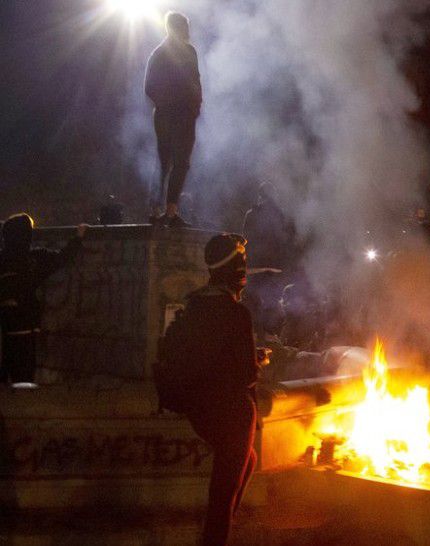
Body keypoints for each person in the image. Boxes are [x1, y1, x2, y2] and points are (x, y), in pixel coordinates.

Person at [182, 233, 267, 546]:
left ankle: (225, 521)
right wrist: (257, 362)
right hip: (231, 414)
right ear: (237, 270)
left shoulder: (193, 306)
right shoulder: (236, 313)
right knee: (222, 495)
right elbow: (246, 375)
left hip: (200, 410)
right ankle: (219, 533)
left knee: (249, 461)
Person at [0, 214, 86, 386]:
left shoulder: (3, 259)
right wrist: (78, 237)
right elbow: (63, 258)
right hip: (25, 323)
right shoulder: (34, 259)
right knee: (23, 373)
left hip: (4, 325)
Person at [145, 11, 202, 228]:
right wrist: (168, 103)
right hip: (167, 115)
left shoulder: (190, 52)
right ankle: (155, 209)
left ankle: (171, 210)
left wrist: (196, 105)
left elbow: (196, 81)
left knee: (182, 164)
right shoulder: (159, 54)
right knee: (164, 161)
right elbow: (149, 87)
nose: (185, 31)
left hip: (186, 115)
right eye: (182, 27)